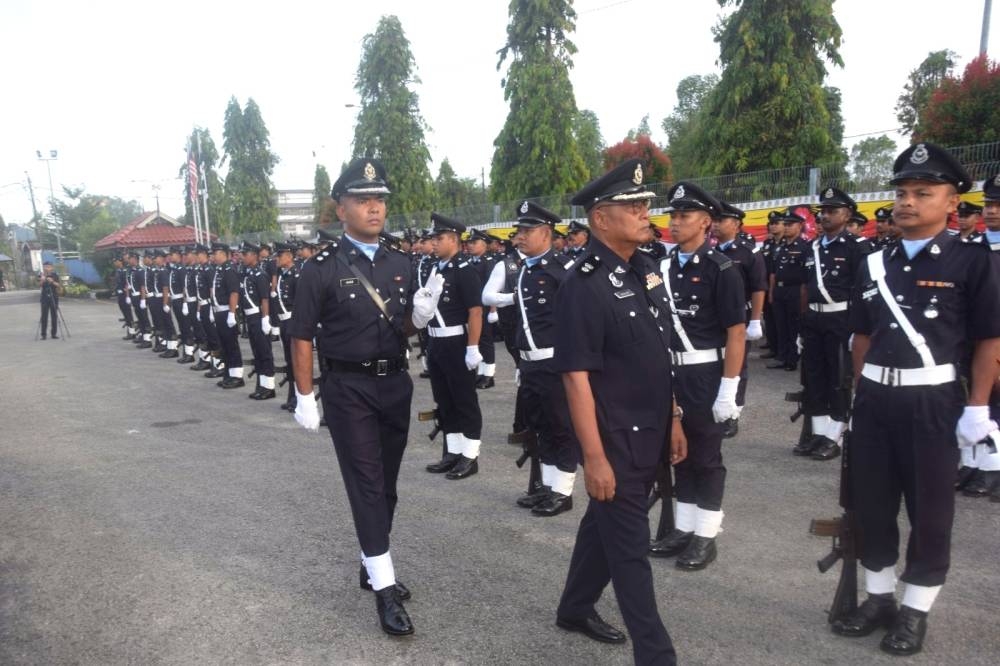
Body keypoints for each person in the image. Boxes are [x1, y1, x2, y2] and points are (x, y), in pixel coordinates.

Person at [833, 143, 1000, 656]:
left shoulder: (972, 261)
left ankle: (915, 609)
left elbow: (989, 339)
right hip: (877, 400)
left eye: (922, 193)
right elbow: (860, 337)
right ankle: (879, 599)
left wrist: (977, 407)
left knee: (930, 513)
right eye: (902, 192)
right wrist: (859, 399)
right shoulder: (873, 261)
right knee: (873, 506)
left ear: (951, 202)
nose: (907, 202)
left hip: (934, 402)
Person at [289, 157, 436, 637]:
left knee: (388, 484)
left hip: (395, 384)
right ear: (341, 207)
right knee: (367, 484)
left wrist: (422, 314)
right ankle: (386, 589)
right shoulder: (320, 269)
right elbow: (302, 335)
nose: (375, 209)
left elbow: (406, 329)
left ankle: (371, 562)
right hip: (348, 389)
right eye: (363, 200)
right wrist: (305, 394)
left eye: (380, 200)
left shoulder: (402, 261)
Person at [553, 159, 686, 666]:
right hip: (614, 439)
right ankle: (657, 656)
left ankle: (574, 606)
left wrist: (673, 418)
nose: (642, 212)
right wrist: (594, 458)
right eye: (630, 206)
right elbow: (576, 377)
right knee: (631, 554)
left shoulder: (646, 267)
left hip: (651, 430)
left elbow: (658, 352)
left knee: (603, 525)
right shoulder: (581, 286)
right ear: (600, 219)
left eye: (644, 204)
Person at [647, 183, 746, 571]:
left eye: (684, 216)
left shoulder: (722, 269)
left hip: (706, 373)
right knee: (678, 452)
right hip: (671, 371)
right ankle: (684, 529)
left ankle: (706, 534)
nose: (674, 223)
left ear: (705, 222)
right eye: (672, 215)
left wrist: (729, 389)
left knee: (706, 455)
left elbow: (736, 333)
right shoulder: (662, 268)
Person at [508, 200, 579, 517]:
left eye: (527, 230)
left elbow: (578, 321)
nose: (520, 237)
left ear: (547, 232)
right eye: (518, 231)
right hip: (532, 363)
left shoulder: (562, 271)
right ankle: (548, 487)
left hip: (555, 362)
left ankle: (563, 492)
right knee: (542, 426)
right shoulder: (527, 269)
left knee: (561, 426)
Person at [795, 187, 873, 461]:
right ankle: (817, 432)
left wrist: (857, 329)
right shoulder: (811, 247)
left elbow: (862, 291)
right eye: (823, 212)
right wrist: (802, 326)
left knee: (838, 378)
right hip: (814, 319)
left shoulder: (858, 247)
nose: (825, 216)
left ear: (847, 214)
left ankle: (834, 435)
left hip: (841, 319)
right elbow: (805, 288)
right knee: (814, 376)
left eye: (833, 211)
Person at [423, 213, 485, 480]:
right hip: (436, 341)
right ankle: (453, 452)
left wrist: (473, 347)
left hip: (457, 341)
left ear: (454, 240)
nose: (434, 243)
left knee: (464, 400)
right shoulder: (435, 269)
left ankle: (470, 456)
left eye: (439, 238)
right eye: (433, 238)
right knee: (444, 399)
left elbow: (475, 311)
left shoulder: (465, 270)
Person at [955, 174, 1000, 499]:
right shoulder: (972, 249)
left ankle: (992, 468)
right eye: (989, 204)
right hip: (974, 337)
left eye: (999, 205)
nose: (993, 211)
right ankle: (972, 462)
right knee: (972, 400)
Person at [712, 200, 766, 438]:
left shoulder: (748, 252)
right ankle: (717, 407)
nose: (715, 225)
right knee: (716, 364)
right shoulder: (710, 252)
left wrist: (755, 319)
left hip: (740, 317)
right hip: (714, 318)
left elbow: (758, 288)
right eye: (714, 220)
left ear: (736, 224)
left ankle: (733, 413)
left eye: (721, 220)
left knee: (738, 367)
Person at [769, 208, 808, 371]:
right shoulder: (779, 247)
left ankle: (792, 359)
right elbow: (773, 272)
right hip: (779, 290)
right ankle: (782, 357)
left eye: (790, 225)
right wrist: (771, 292)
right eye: (785, 224)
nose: (786, 227)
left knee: (793, 326)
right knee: (781, 325)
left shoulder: (805, 247)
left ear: (799, 226)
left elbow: (806, 276)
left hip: (795, 291)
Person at [240, 242, 276, 400]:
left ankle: (269, 387)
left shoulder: (260, 275)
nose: (242, 257)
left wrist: (266, 319)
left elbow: (265, 299)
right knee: (257, 353)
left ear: (254, 255)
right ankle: (261, 385)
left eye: (245, 254)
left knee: (264, 352)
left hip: (258, 316)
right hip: (250, 317)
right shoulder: (248, 273)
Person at [465, 228, 498, 389]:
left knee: (485, 340)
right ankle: (480, 372)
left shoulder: (489, 262)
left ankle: (489, 375)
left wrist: (493, 310)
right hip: (473, 307)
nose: (470, 245)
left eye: (474, 242)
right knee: (475, 340)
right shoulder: (470, 261)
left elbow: (493, 288)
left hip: (484, 308)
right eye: (469, 242)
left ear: (484, 244)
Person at [210, 242, 244, 389]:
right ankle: (228, 374)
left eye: (215, 253)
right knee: (224, 345)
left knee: (231, 345)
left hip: (226, 312)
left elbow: (234, 292)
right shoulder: (220, 269)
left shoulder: (229, 269)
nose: (213, 256)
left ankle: (237, 376)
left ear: (223, 253)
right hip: (219, 312)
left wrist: (232, 313)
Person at [273, 241, 300, 411]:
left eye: (280, 255)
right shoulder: (284, 274)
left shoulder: (297, 275)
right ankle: (292, 396)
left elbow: (300, 303)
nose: (277, 258)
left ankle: (298, 397)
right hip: (284, 321)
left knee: (296, 361)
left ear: (289, 257)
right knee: (289, 361)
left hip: (292, 321)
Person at [759, 211, 784, 358]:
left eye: (776, 223)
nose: (773, 226)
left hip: (780, 286)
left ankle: (781, 351)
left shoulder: (785, 244)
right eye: (771, 224)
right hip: (766, 284)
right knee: (769, 317)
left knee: (779, 321)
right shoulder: (768, 244)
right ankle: (772, 345)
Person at [112, 254, 136, 340]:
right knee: (125, 314)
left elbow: (127, 284)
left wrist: (127, 296)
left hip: (124, 295)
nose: (115, 263)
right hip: (120, 295)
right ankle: (130, 330)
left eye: (116, 261)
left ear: (120, 261)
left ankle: (132, 332)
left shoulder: (124, 271)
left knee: (128, 314)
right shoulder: (118, 270)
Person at [38, 261, 62, 340]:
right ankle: (43, 334)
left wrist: (52, 281)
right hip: (44, 297)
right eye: (45, 266)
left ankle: (54, 334)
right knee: (44, 316)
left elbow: (58, 285)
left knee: (54, 315)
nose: (47, 268)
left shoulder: (55, 275)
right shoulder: (41, 274)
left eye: (48, 266)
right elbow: (40, 285)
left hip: (54, 297)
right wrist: (42, 280)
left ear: (52, 267)